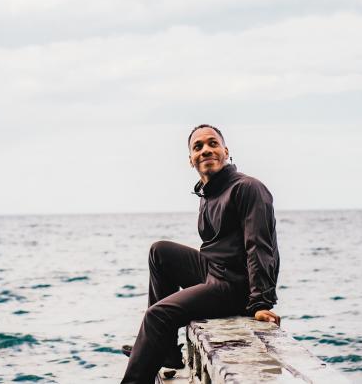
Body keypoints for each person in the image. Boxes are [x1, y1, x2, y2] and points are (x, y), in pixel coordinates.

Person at [120, 124, 280, 384]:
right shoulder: (208, 192)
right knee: (159, 252)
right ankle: (168, 353)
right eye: (198, 147)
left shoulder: (247, 188)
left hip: (234, 285)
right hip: (213, 271)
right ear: (191, 159)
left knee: (157, 315)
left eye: (212, 144)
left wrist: (261, 303)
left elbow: (260, 246)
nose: (206, 150)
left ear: (225, 151)